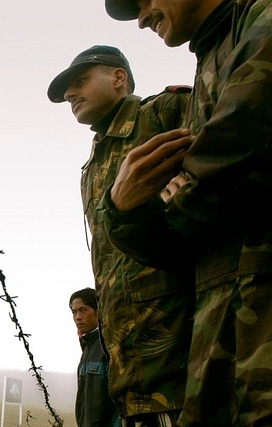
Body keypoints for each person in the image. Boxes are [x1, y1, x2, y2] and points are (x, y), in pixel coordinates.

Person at [101, 1, 272, 425]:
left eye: (144, 1)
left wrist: (180, 193)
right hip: (218, 345)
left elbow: (244, 129)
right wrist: (122, 210)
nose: (141, 18)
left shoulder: (259, 18)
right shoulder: (211, 59)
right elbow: (183, 249)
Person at [47, 45, 195, 426]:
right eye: (67, 90)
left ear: (118, 78)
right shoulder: (93, 164)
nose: (69, 94)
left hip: (183, 356)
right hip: (129, 372)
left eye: (80, 81)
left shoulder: (163, 114)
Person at [69, 288, 120, 427]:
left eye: (83, 310)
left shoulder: (108, 346)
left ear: (99, 311)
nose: (77, 317)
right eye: (74, 312)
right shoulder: (87, 349)